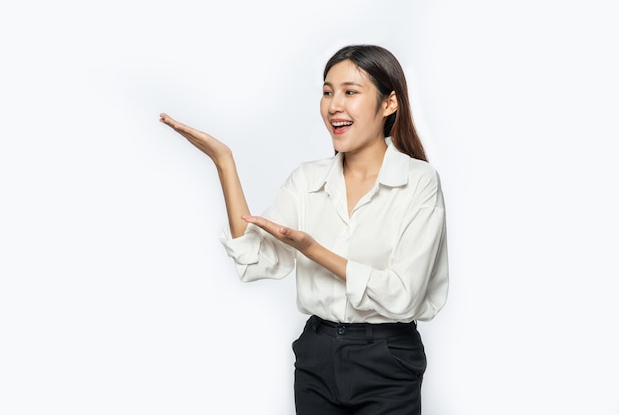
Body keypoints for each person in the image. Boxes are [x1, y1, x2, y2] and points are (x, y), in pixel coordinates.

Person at [160, 44, 448, 415]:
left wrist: (312, 249)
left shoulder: (418, 182)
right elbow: (256, 261)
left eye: (350, 92)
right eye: (327, 92)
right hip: (318, 353)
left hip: (388, 357)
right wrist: (224, 162)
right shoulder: (307, 181)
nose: (334, 105)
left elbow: (403, 296)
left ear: (389, 103)